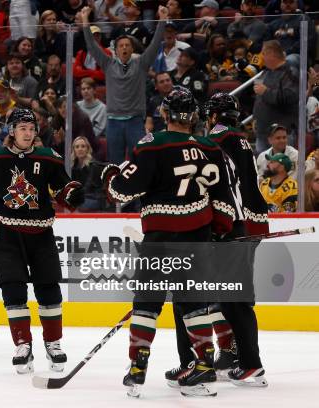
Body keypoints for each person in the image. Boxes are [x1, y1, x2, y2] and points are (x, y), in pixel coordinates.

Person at [102, 87, 236, 397]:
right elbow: (225, 202)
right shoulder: (210, 148)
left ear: (165, 114)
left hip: (160, 237)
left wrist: (112, 177)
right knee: (193, 304)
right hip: (198, 236)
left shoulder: (151, 145)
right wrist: (216, 231)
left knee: (147, 302)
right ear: (195, 117)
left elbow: (123, 190)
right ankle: (203, 364)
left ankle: (138, 366)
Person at [166, 92, 269, 388]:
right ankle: (244, 361)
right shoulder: (241, 138)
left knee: (189, 295)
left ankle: (196, 363)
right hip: (250, 223)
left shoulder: (216, 140)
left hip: (228, 226)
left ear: (212, 116)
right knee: (232, 298)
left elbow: (215, 188)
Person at [0, 108, 85, 374]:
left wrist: (71, 194)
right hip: (8, 234)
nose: (28, 133)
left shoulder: (48, 158)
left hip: (41, 234)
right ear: (11, 131)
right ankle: (23, 344)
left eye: (32, 129)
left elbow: (62, 187)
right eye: (23, 128)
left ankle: (53, 343)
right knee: (13, 289)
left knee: (49, 289)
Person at [80, 5, 168, 165]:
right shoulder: (107, 63)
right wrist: (85, 20)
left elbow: (155, 45)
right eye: (121, 46)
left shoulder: (141, 63)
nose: (124, 48)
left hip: (135, 120)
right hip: (113, 122)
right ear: (116, 50)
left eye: (127, 45)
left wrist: (162, 19)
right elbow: (91, 45)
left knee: (140, 160)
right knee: (115, 163)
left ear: (132, 48)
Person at [252, 40, 298, 154]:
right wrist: (256, 118)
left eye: (263, 54)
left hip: (281, 132)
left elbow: (290, 97)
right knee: (262, 167)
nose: (261, 57)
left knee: (282, 165)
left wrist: (266, 92)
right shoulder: (266, 73)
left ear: (271, 54)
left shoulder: (290, 72)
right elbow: (259, 98)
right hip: (263, 130)